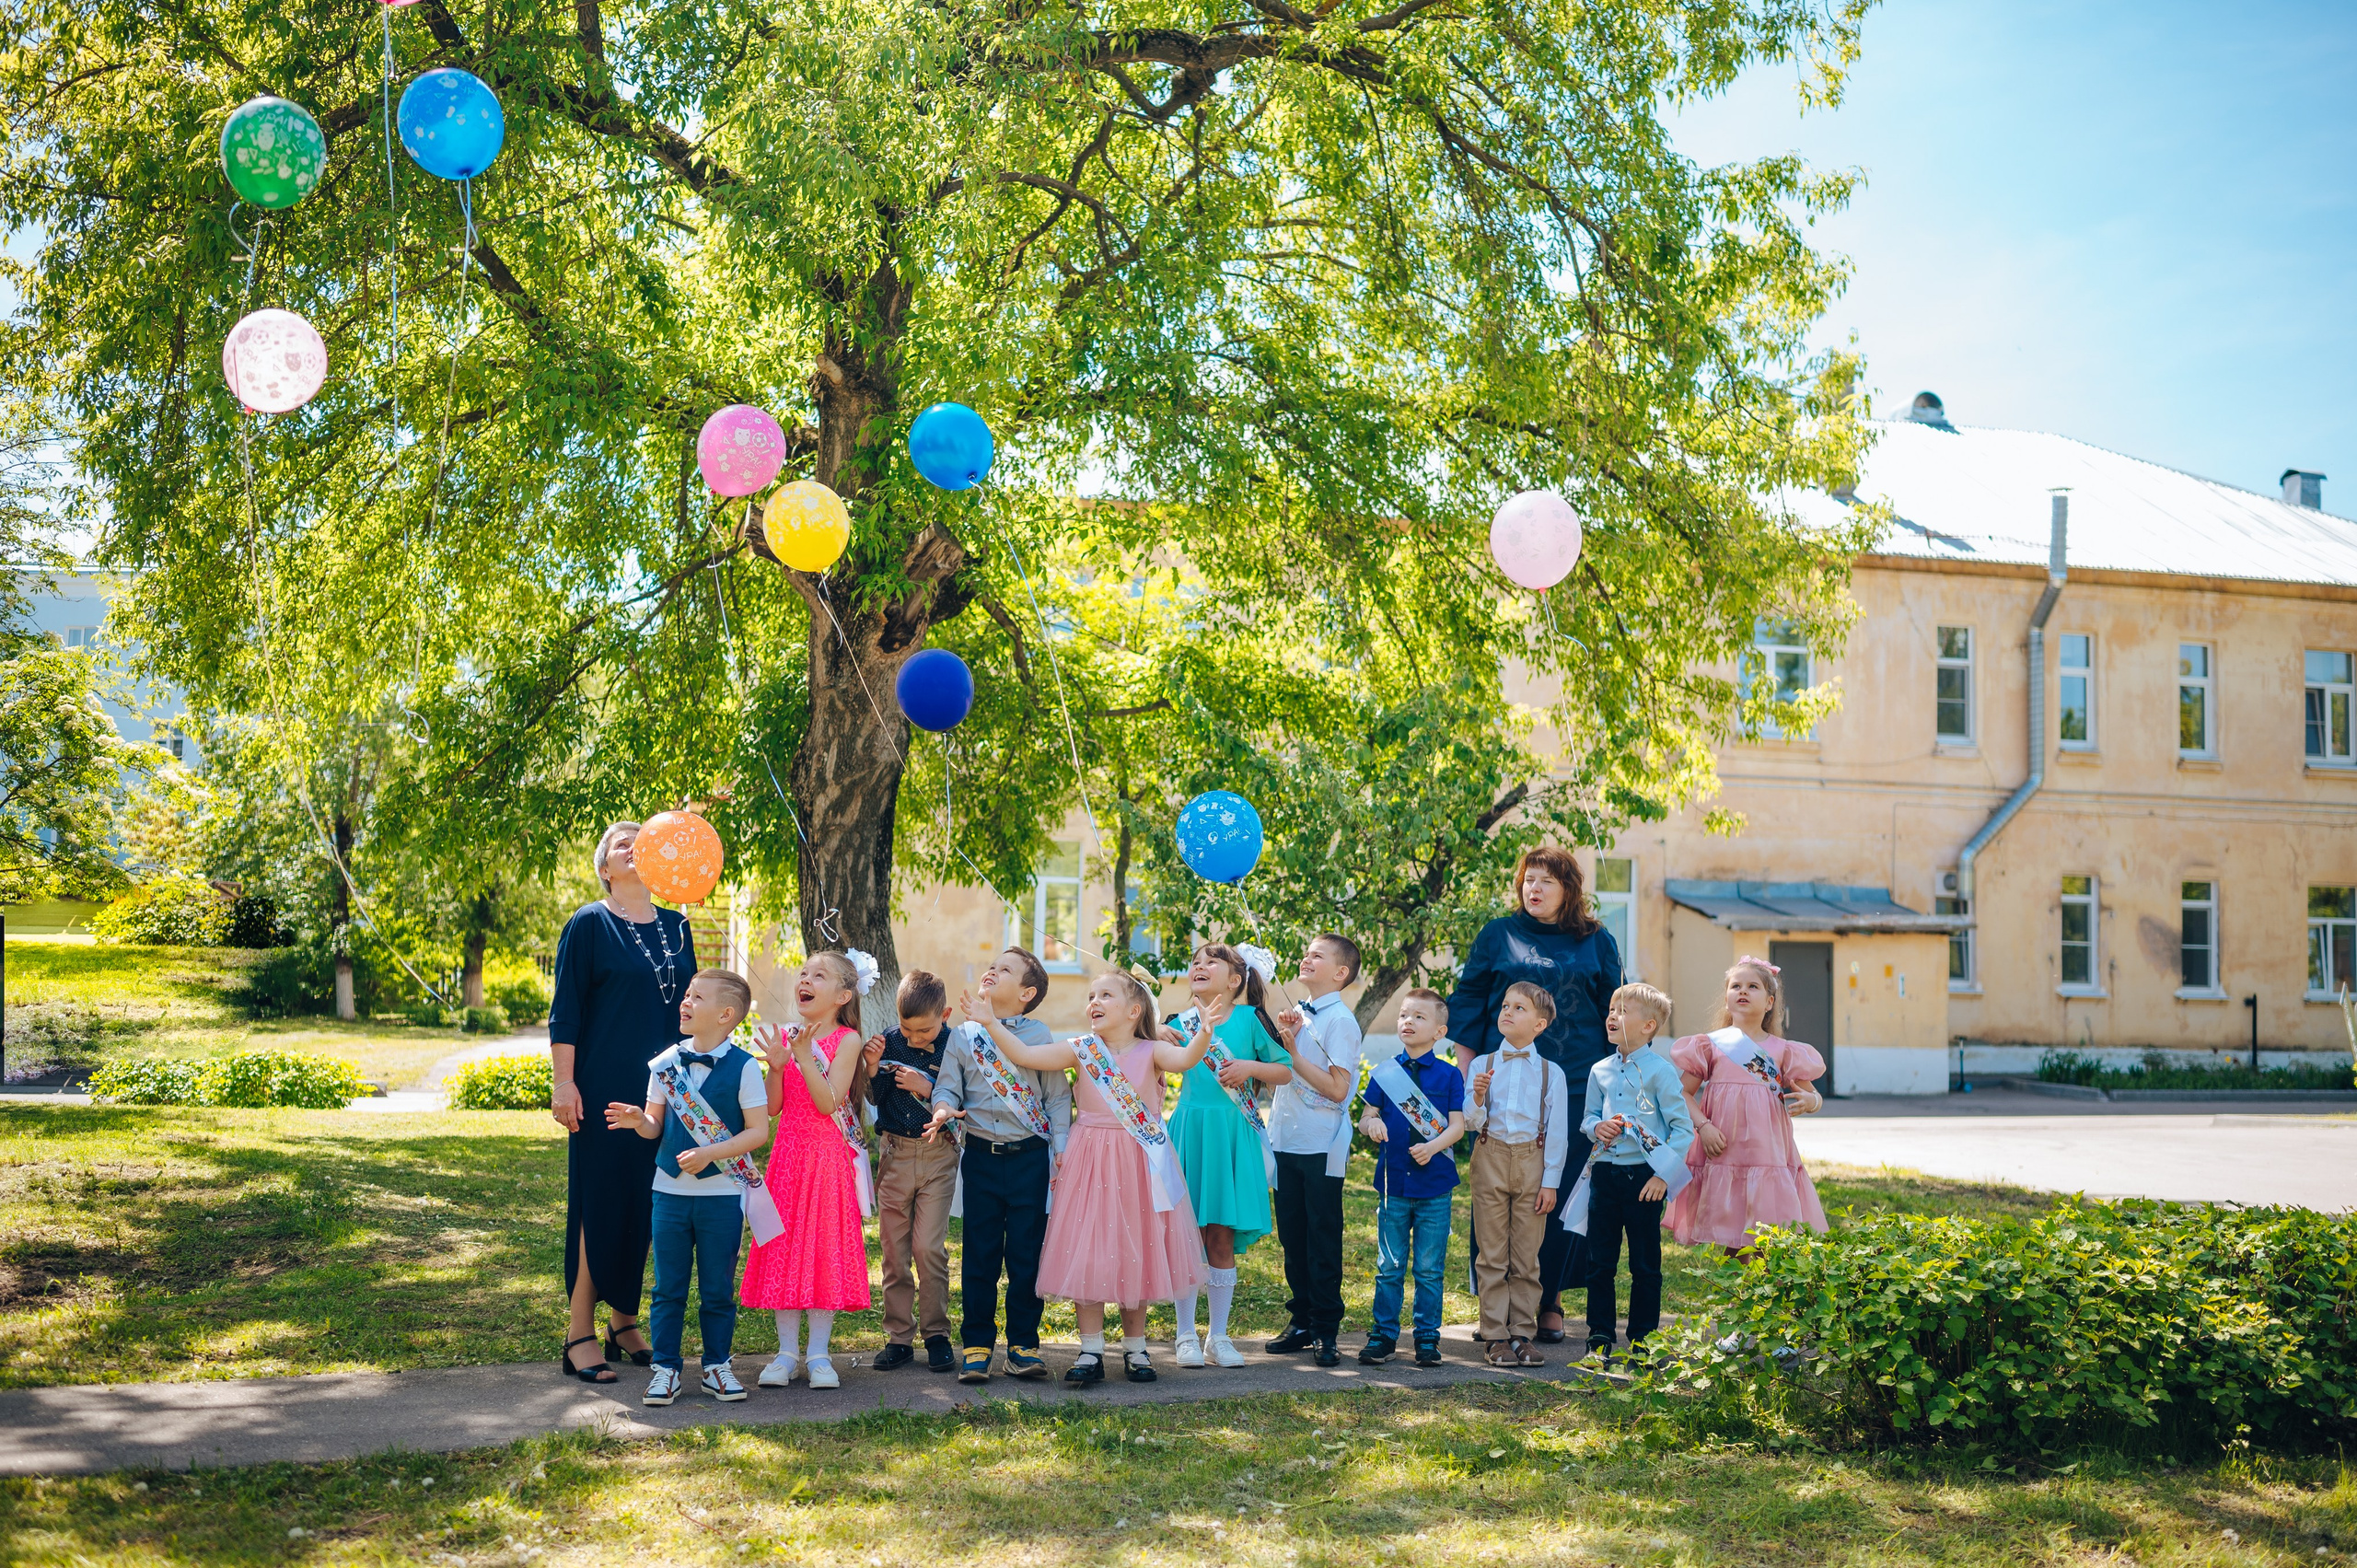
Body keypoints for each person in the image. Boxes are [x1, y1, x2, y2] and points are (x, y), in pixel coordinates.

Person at [966, 970, 1213, 1386]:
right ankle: (1091, 1349)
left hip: (1139, 1160)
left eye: (1105, 995)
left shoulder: (1153, 1050)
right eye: (1091, 995)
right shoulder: (1082, 1050)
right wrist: (989, 1022)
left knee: (1140, 1247)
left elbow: (1187, 1060)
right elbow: (1026, 1056)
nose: (1093, 1002)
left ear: (1134, 1010)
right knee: (1092, 1247)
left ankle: (1136, 1349)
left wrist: (1204, 1032)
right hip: (1091, 1160)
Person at [1446, 845, 1621, 1345]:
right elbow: (1469, 1004)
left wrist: (1619, 1083)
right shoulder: (1497, 934)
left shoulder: (1596, 939)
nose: (1534, 888)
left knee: (1559, 1193)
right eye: (1528, 879)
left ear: (1569, 889)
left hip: (1578, 1085)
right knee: (1500, 1195)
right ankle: (1496, 1308)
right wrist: (1471, 1078)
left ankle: (1549, 1300)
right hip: (1502, 1084)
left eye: (1546, 880)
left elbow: (1616, 1009)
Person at [549, 821, 700, 1383]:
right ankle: (578, 1332)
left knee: (646, 1201)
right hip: (602, 1085)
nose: (635, 846)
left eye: (644, 840)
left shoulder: (680, 926)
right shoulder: (589, 924)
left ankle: (623, 1322)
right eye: (621, 843)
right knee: (602, 1201)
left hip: (667, 1089)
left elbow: (693, 1005)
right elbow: (566, 1012)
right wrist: (565, 1084)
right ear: (605, 869)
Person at [603, 968, 769, 1405]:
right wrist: (642, 1122)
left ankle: (717, 1366)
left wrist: (712, 1154)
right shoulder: (666, 1064)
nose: (685, 1002)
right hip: (669, 1193)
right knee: (667, 1288)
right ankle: (666, 1370)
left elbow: (757, 1133)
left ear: (726, 1014)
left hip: (721, 1197)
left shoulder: (745, 1067)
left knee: (717, 1288)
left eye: (697, 997)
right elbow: (654, 1123)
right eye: (688, 994)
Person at [923, 947, 1071, 1385]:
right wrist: (944, 1109)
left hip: (1030, 1159)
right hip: (982, 1161)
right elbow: (947, 1088)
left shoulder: (1040, 1036)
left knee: (1026, 1255)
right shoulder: (964, 1036)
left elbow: (1057, 1096)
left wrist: (1060, 1147)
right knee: (981, 1255)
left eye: (1004, 969)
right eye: (992, 965)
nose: (992, 970)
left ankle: (1024, 1345)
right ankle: (977, 1345)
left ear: (1026, 993)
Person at [740, 949, 877, 1390]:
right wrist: (777, 1068)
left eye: (819, 975)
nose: (806, 980)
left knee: (822, 1250)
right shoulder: (790, 1034)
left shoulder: (849, 1040)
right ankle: (785, 1354)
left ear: (842, 995)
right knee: (785, 1249)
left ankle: (818, 1354)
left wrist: (801, 1055)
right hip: (787, 1156)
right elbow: (775, 1107)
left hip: (826, 1159)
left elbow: (827, 1102)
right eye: (804, 973)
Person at [1163, 942, 1293, 1370]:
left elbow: (1284, 1070)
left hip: (1232, 1133)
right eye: (1194, 961)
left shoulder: (1250, 1018)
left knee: (1219, 1234)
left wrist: (1249, 1068)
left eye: (1210, 962)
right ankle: (1184, 1334)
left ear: (1235, 980)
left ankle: (1217, 1336)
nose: (1198, 965)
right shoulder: (1175, 1023)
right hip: (1190, 1132)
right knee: (1185, 1233)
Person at [1666, 957, 1828, 1253]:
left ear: (1769, 1002)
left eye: (1752, 986)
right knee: (1731, 1228)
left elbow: (1814, 1096)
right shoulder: (1710, 1045)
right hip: (1723, 1146)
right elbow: (1681, 1094)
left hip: (1766, 1153)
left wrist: (1810, 1101)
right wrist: (1704, 1127)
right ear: (1727, 999)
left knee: (1765, 1231)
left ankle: (1759, 1291)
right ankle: (1738, 1291)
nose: (1743, 991)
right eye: (1735, 986)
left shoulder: (1783, 1051)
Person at [1577, 982, 1693, 1365]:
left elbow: (1682, 1129)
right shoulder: (1599, 1070)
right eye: (1612, 1009)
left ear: (1649, 1026)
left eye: (1623, 1011)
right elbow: (1589, 1117)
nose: (1612, 1016)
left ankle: (1643, 1340)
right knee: (1600, 1262)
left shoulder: (1661, 1072)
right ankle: (1599, 1335)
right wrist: (1597, 1128)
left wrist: (1663, 1176)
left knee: (1645, 1264)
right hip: (1606, 1177)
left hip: (1646, 1180)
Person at [1266, 933, 1366, 1369]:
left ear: (1340, 973)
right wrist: (1286, 1036)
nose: (1306, 958)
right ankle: (1302, 1319)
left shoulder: (1340, 1021)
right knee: (1292, 1235)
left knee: (1321, 1238)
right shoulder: (1301, 1015)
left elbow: (1338, 1088)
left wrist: (1292, 1053)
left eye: (1317, 955)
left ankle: (1326, 1329)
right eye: (1306, 952)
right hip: (1286, 1139)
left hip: (1321, 1145)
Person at [1355, 987, 1466, 1368]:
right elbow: (1366, 1116)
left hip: (1435, 1186)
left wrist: (1433, 1147)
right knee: (1389, 1265)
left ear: (1439, 1031)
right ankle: (1383, 1336)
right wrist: (1371, 1125)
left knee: (1429, 1268)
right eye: (1404, 1014)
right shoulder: (1385, 1073)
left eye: (1419, 1017)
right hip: (1393, 1185)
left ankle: (1427, 1340)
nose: (1408, 1022)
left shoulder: (1450, 1075)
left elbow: (1457, 1127)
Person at [1464, 981, 1569, 1367]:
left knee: (1527, 1255)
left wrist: (1551, 1182)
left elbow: (1557, 1131)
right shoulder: (1482, 1065)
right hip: (1490, 1155)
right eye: (1505, 1005)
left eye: (1519, 1008)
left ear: (1540, 1024)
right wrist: (1476, 1097)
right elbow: (1472, 1122)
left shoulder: (1551, 1072)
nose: (1507, 1012)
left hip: (1533, 1161)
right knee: (1491, 1254)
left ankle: (1523, 1333)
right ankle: (1494, 1335)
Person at [861, 970, 959, 1374]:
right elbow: (875, 1096)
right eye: (907, 1027)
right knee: (894, 1251)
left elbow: (963, 1096)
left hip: (938, 1155)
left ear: (945, 1014)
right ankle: (899, 1336)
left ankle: (936, 1334)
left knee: (928, 1248)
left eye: (924, 1030)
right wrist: (870, 1068)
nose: (915, 1038)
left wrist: (926, 1087)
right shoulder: (890, 1041)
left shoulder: (957, 1045)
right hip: (896, 1153)